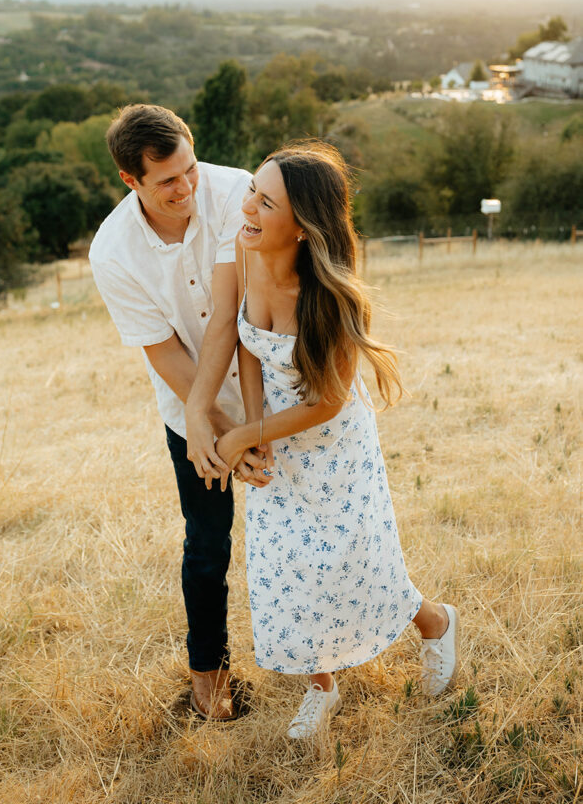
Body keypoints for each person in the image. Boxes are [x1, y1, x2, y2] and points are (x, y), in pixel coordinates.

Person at [193, 142, 460, 739]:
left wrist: (240, 433)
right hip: (275, 438)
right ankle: (322, 686)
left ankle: (435, 622)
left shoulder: (332, 299)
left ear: (304, 227)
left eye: (266, 202)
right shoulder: (246, 248)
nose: (248, 209)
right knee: (286, 570)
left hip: (334, 445)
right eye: (251, 194)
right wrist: (257, 438)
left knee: (353, 562)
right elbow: (248, 347)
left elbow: (329, 402)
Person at [89, 103, 266, 721]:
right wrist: (214, 427)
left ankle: (319, 657)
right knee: (208, 542)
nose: (187, 188)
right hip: (187, 413)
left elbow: (238, 317)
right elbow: (161, 348)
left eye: (189, 169)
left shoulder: (239, 191)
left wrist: (250, 428)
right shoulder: (112, 251)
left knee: (300, 526)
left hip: (273, 397)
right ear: (129, 181)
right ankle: (208, 674)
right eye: (167, 180)